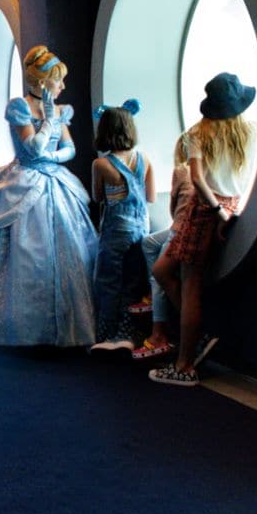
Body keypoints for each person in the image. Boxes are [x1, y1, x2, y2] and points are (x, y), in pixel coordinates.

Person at [0, 45, 98, 347]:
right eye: (58, 80)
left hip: (53, 180)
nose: (63, 86)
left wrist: (53, 154)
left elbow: (71, 149)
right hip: (22, 180)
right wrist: (49, 122)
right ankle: (18, 327)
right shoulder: (19, 107)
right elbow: (32, 149)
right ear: (42, 83)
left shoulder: (60, 110)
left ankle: (64, 327)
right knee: (23, 255)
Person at [149, 72, 257, 386]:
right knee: (162, 270)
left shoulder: (198, 133)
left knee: (190, 284)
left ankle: (184, 365)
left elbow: (197, 179)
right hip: (229, 204)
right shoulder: (248, 132)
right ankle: (196, 333)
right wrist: (227, 211)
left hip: (205, 208)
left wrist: (215, 211)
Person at [89, 100, 156, 356]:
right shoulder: (144, 159)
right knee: (133, 283)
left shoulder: (101, 165)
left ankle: (108, 334)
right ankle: (130, 335)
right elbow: (150, 197)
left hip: (116, 229)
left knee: (108, 281)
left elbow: (98, 198)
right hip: (141, 228)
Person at [131, 135, 194, 360]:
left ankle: (158, 334)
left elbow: (173, 206)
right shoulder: (208, 172)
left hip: (180, 229)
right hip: (188, 227)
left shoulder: (182, 170)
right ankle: (152, 292)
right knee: (149, 243)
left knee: (159, 274)